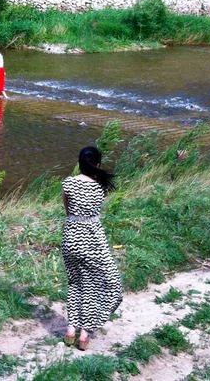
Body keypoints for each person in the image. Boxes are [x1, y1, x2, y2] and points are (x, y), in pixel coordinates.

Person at [61, 146, 122, 351]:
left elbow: (68, 209)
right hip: (92, 239)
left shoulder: (68, 182)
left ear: (79, 163)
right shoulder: (100, 187)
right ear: (97, 164)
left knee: (75, 282)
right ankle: (85, 334)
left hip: (70, 237)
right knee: (106, 286)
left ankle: (71, 331)